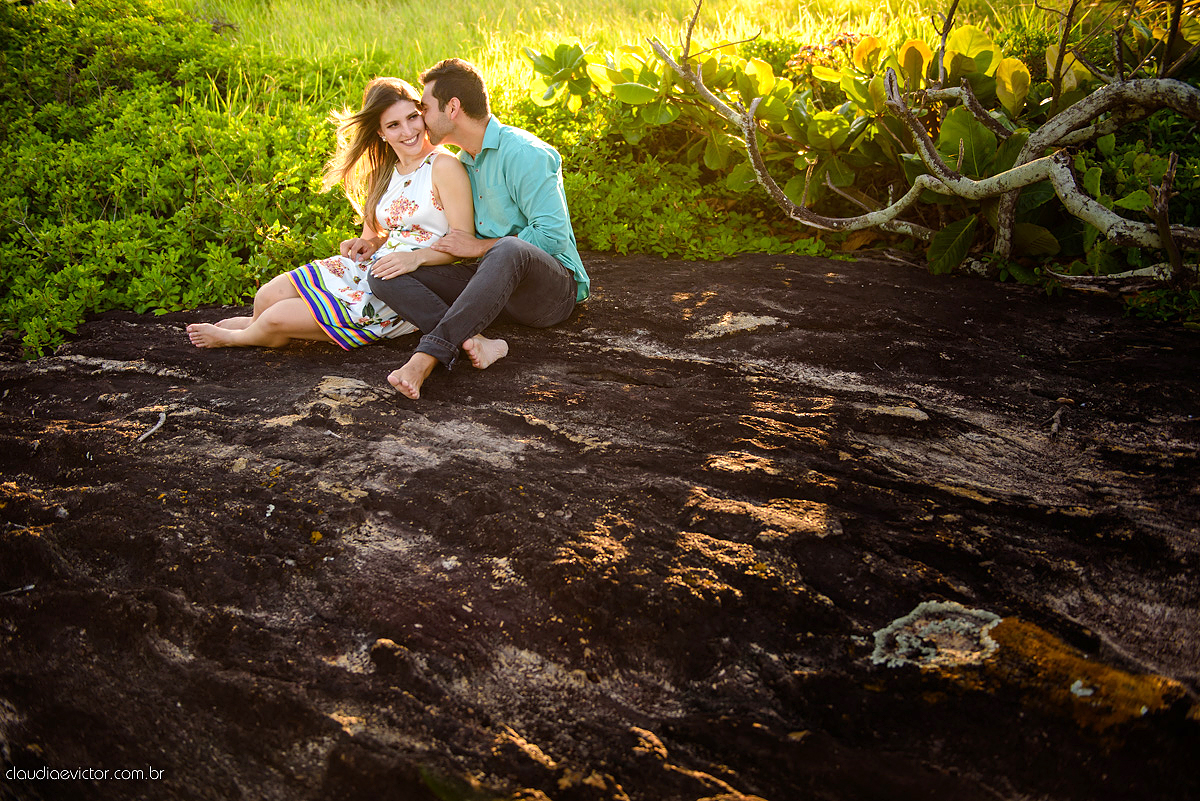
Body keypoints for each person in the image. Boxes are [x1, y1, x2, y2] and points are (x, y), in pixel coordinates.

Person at [186, 77, 474, 350]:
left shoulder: (443, 166)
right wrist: (368, 244)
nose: (408, 131)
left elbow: (464, 244)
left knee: (278, 316)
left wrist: (415, 258)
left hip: (404, 286)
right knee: (267, 296)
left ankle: (245, 337)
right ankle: (256, 327)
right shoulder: (385, 172)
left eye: (413, 117)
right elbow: (374, 236)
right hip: (371, 268)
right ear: (381, 133)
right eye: (394, 125)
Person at [367, 58, 590, 399]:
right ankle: (480, 341)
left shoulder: (524, 153)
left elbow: (552, 235)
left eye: (424, 108)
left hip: (550, 293)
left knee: (508, 248)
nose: (420, 119)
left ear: (452, 108)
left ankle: (426, 357)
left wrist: (479, 248)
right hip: (494, 291)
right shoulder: (462, 162)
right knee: (384, 273)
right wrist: (394, 249)